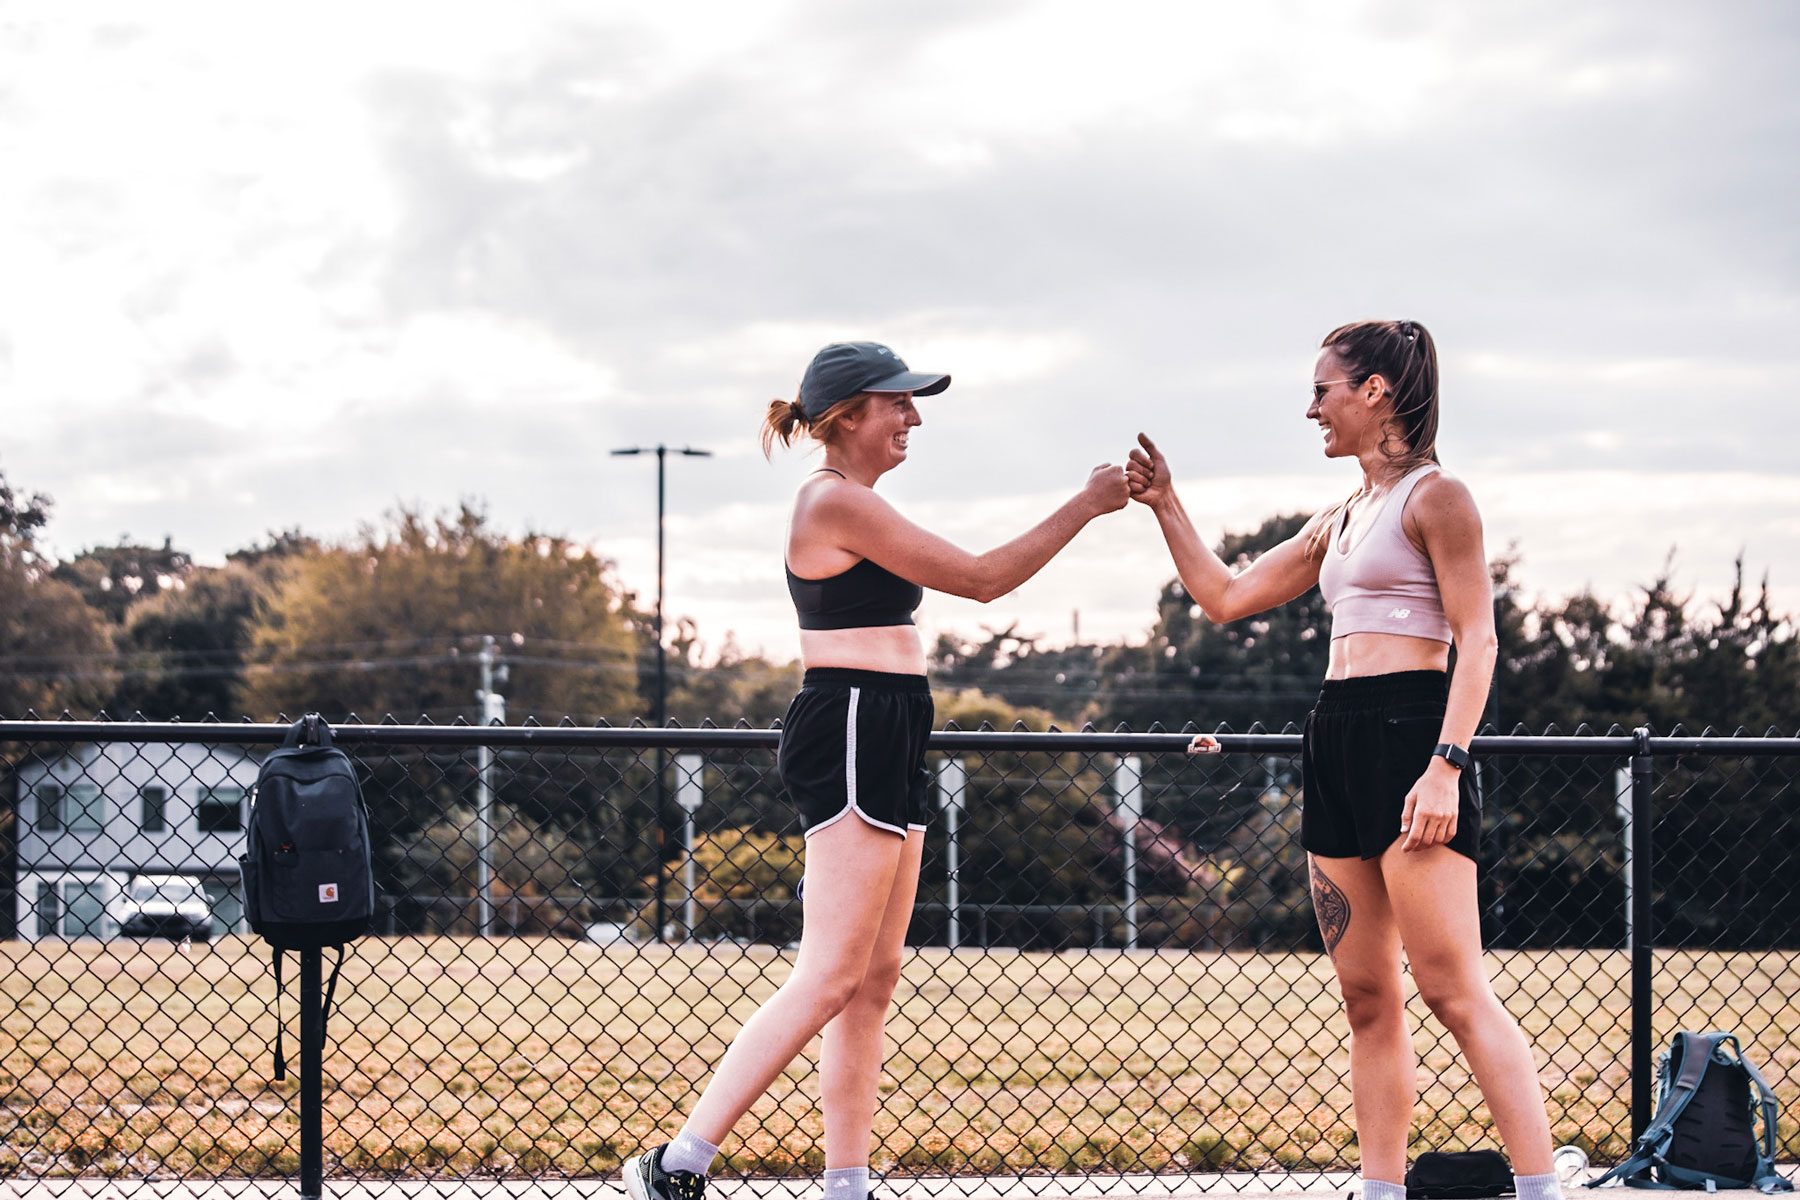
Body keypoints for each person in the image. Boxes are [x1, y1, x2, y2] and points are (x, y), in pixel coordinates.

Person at [624, 341, 1130, 1200]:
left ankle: (846, 1183)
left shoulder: (854, 503)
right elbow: (978, 580)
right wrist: (1084, 505)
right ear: (848, 413)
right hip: (854, 716)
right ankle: (675, 1165)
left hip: (892, 720)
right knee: (829, 972)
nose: (914, 418)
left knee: (875, 975)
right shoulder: (833, 503)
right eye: (899, 402)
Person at [1125, 321, 1560, 1200]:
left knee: (1452, 990)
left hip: (1412, 735)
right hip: (1335, 733)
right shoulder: (1344, 515)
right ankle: (1380, 1189)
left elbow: (1477, 641)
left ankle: (1543, 1186)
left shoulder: (1438, 498)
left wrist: (1445, 763)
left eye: (1323, 388)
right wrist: (1167, 503)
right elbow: (1225, 596)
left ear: (1375, 392)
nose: (1311, 406)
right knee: (1368, 998)